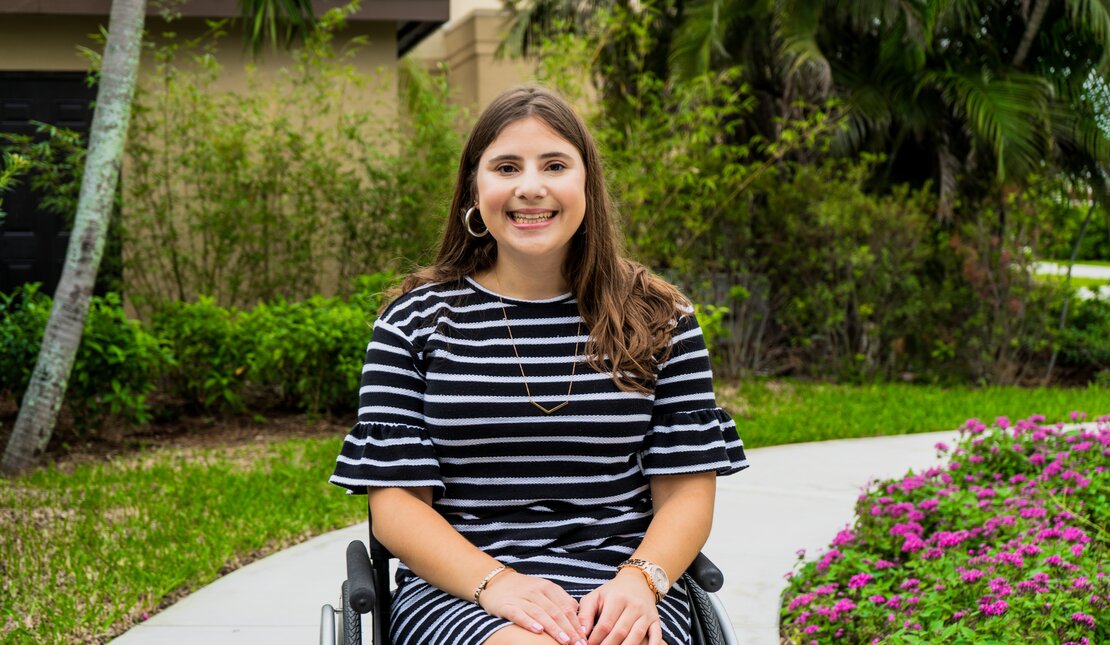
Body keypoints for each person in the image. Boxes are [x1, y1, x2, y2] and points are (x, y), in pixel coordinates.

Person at [330, 85, 748, 645]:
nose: (531, 188)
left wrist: (641, 582)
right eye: (506, 167)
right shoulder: (415, 322)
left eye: (554, 164)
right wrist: (496, 584)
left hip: (623, 586)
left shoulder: (660, 316)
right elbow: (398, 506)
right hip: (462, 587)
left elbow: (688, 492)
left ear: (586, 184)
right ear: (474, 191)